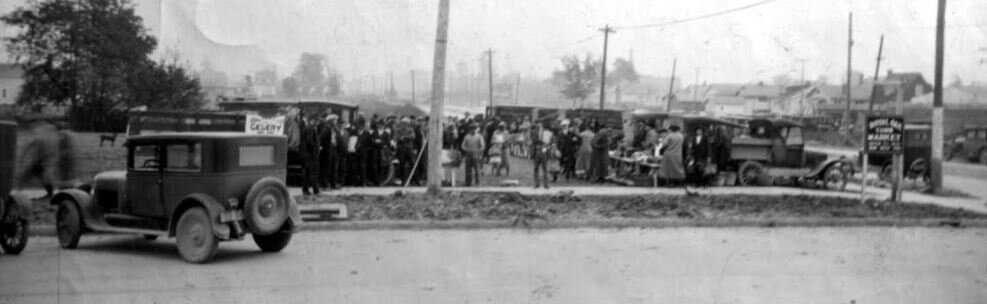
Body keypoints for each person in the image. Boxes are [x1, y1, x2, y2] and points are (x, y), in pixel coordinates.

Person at [299, 115, 321, 195]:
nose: (318, 123)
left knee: (307, 173)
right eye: (317, 121)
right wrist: (316, 148)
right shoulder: (310, 129)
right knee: (313, 172)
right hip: (310, 155)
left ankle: (305, 189)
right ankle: (316, 190)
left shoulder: (308, 128)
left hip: (307, 154)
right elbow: (310, 141)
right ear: (313, 120)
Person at [531, 122, 554, 188]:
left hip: (544, 151)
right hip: (537, 151)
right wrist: (541, 141)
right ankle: (536, 183)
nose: (539, 127)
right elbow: (534, 140)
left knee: (545, 168)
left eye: (540, 125)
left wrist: (548, 145)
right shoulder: (534, 132)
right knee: (536, 168)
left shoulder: (548, 133)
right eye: (538, 125)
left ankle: (546, 184)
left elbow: (551, 141)